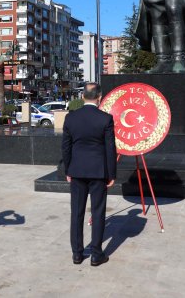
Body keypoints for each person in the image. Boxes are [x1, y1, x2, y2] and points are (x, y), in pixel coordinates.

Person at [62, 82, 117, 266]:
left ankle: (77, 254)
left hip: (77, 170)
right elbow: (110, 149)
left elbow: (66, 147)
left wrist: (68, 170)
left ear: (82, 96)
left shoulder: (71, 118)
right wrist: (111, 174)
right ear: (99, 97)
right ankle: (96, 254)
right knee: (98, 212)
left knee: (76, 212)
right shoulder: (106, 119)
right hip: (98, 172)